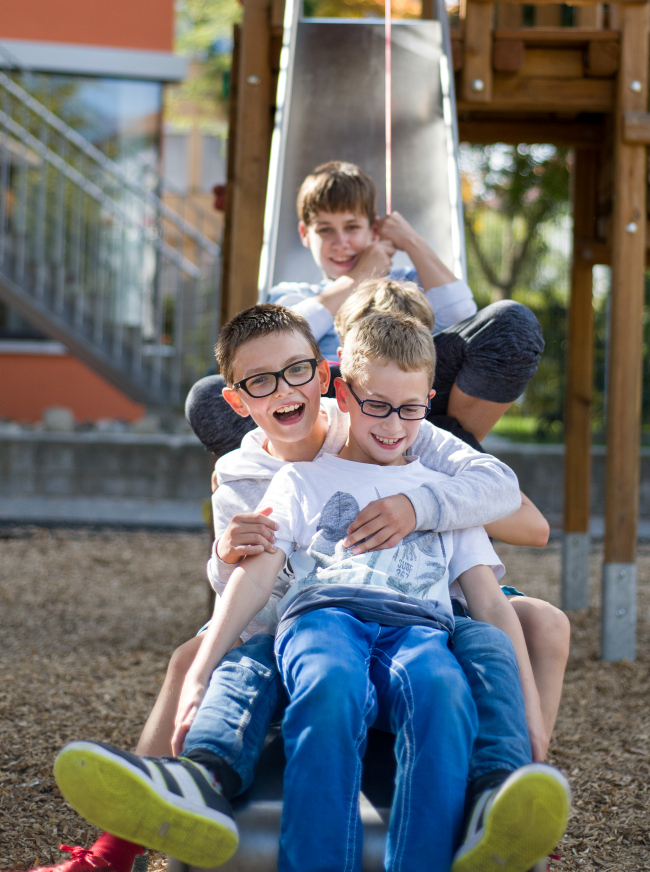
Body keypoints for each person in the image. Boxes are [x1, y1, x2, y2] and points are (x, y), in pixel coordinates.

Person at [52, 307, 569, 872]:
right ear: (239, 400)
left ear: (325, 379)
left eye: (297, 370)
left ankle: (509, 800)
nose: (284, 389)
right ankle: (135, 832)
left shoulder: (404, 433)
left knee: (484, 655)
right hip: (306, 608)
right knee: (221, 662)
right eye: (261, 381)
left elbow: (503, 504)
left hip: (420, 606)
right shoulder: (252, 475)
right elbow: (254, 589)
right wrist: (226, 559)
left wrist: (417, 506)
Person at [185, 160, 545, 459]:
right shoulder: (295, 295)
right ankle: (278, 467)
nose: (341, 242)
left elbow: (462, 314)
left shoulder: (408, 279)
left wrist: (410, 241)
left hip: (411, 392)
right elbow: (280, 341)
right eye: (326, 230)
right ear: (305, 235)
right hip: (328, 399)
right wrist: (359, 276)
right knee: (207, 396)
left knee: (512, 322)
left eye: (352, 228)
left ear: (373, 230)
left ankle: (446, 447)